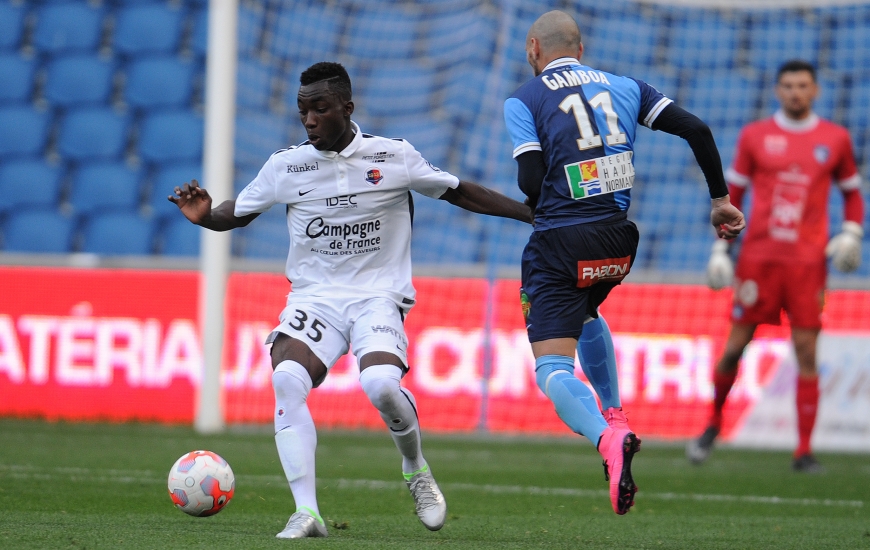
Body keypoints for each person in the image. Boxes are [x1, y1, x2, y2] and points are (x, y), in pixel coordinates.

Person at [170, 62, 532, 538]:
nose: (310, 119)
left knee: (381, 385)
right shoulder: (286, 166)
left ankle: (416, 469)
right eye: (303, 110)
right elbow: (234, 214)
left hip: (377, 297)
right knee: (286, 378)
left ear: (347, 107)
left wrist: (530, 214)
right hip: (316, 299)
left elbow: (459, 192)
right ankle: (307, 513)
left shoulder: (393, 157)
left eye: (320, 108)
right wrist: (204, 216)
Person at [504, 11, 745, 515]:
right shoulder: (625, 86)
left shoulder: (524, 99)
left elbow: (529, 181)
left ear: (533, 49)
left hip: (561, 242)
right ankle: (614, 413)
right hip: (618, 243)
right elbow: (697, 128)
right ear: (581, 48)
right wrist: (719, 199)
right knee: (586, 312)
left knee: (550, 369)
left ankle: (606, 439)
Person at [687, 60, 865, 473]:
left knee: (806, 351)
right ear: (776, 90)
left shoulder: (835, 139)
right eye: (787, 85)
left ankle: (803, 451)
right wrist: (720, 251)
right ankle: (712, 423)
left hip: (807, 264)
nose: (795, 92)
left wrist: (852, 232)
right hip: (758, 261)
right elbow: (732, 198)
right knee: (734, 348)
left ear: (816, 91)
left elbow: (853, 194)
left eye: (803, 85)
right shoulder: (755, 136)